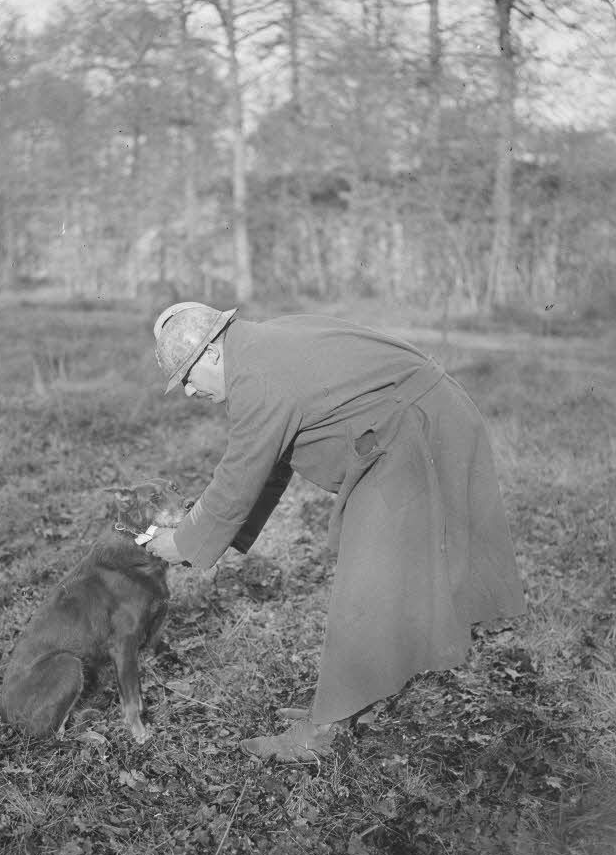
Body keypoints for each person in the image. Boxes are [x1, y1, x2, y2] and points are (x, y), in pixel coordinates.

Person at [146, 302, 526, 761]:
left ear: (210, 352)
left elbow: (238, 475)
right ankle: (349, 703)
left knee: (365, 584)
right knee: (380, 578)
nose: (187, 392)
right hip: (412, 424)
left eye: (186, 376)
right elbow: (269, 464)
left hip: (414, 435)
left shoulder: (258, 377)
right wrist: (209, 533)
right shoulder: (261, 346)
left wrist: (183, 542)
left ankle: (323, 732)